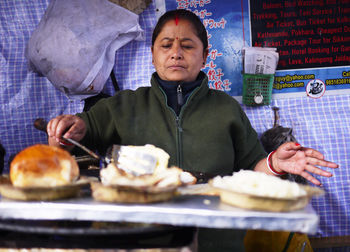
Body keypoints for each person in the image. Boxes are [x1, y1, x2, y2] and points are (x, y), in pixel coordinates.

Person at [47, 9, 338, 251]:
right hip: (142, 243)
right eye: (166, 45)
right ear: (152, 54)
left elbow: (251, 173)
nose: (175, 53)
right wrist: (69, 132)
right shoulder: (121, 107)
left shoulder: (226, 110)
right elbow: (77, 142)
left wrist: (274, 164)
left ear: (205, 56)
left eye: (187, 45)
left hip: (220, 243)